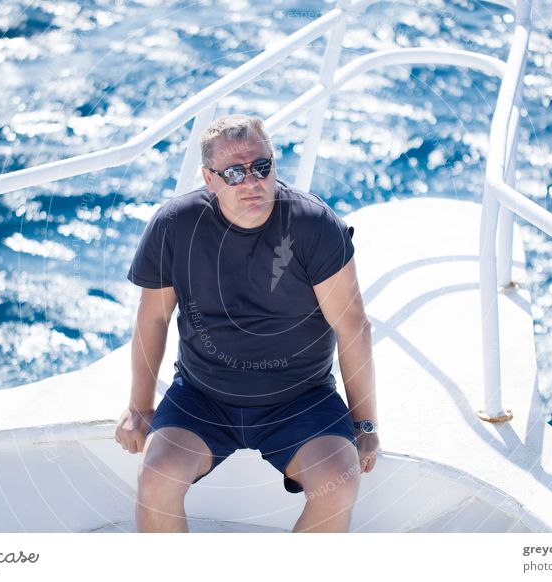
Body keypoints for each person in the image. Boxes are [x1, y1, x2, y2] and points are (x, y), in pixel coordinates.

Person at [114, 114, 379, 533]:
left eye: (262, 167)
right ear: (209, 178)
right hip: (203, 397)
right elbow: (154, 317)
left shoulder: (313, 224)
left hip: (301, 398)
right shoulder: (174, 225)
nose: (251, 182)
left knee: (337, 483)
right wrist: (139, 406)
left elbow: (353, 327)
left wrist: (365, 423)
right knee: (155, 480)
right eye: (234, 173)